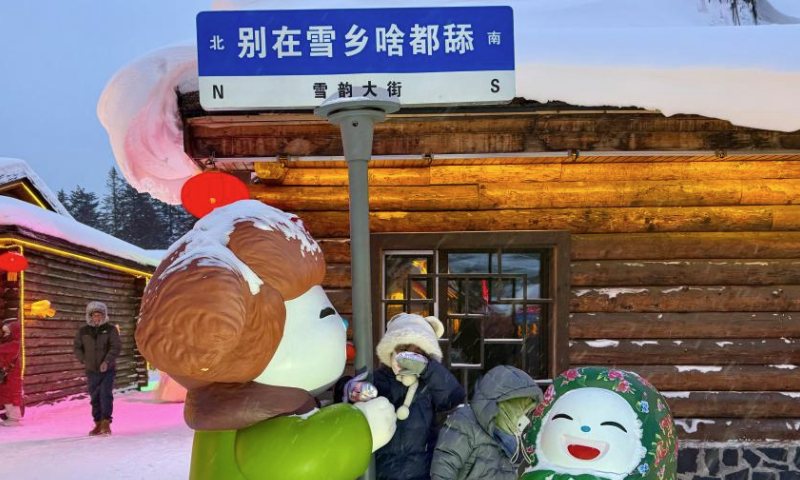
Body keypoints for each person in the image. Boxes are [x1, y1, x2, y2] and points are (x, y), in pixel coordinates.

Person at [370, 313, 466, 480]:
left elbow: (453, 396)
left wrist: (428, 369)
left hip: (420, 472)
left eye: (417, 353)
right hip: (382, 472)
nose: (409, 357)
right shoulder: (379, 380)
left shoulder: (429, 384)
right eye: (404, 351)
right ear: (392, 350)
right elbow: (350, 397)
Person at [430, 365, 543, 480]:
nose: (521, 414)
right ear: (499, 402)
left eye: (525, 408)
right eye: (517, 406)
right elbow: (443, 469)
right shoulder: (464, 423)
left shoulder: (517, 436)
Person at [73, 301, 120, 436]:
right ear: (90, 316)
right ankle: (98, 423)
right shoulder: (83, 331)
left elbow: (115, 347)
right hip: (92, 370)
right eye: (94, 315)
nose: (97, 317)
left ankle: (106, 422)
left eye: (99, 315)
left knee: (105, 395)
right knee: (94, 397)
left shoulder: (110, 330)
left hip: (107, 369)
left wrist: (107, 361)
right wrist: (83, 359)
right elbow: (77, 347)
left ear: (103, 315)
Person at [0, 318, 23, 426]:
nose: (5, 334)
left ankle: (14, 419)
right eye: (5, 332)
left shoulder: (14, 343)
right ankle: (10, 417)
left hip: (12, 374)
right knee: (6, 394)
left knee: (12, 394)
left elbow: (1, 350)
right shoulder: (9, 342)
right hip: (6, 373)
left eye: (8, 332)